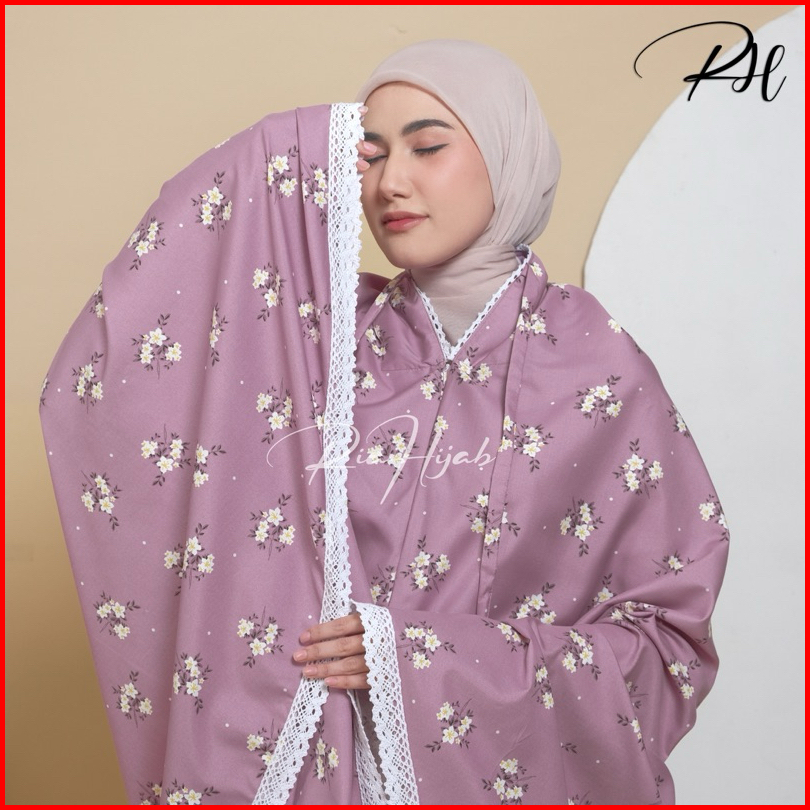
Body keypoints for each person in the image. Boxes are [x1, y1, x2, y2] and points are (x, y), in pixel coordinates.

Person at [40, 40, 728, 805]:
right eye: (367, 156)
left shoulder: (600, 372)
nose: (389, 182)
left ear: (509, 157)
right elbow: (126, 374)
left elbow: (665, 653)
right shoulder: (315, 343)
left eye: (427, 147)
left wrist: (420, 662)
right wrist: (285, 148)